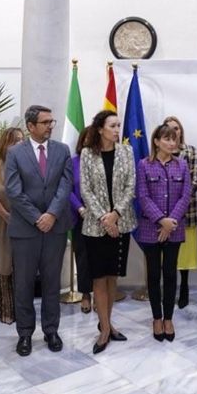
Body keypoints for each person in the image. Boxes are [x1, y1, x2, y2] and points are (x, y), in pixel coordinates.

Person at [4, 105, 73, 357]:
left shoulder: (62, 150)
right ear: (31, 126)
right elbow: (13, 190)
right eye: (45, 122)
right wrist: (37, 218)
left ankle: (51, 330)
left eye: (51, 122)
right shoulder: (15, 153)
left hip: (55, 228)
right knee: (23, 284)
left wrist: (52, 214)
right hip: (25, 230)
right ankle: (24, 334)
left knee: (52, 282)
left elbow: (66, 185)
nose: (49, 126)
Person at [79, 111, 137, 353]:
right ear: (100, 129)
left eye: (119, 126)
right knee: (99, 278)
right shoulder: (87, 154)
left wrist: (116, 215)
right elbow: (85, 188)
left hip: (121, 224)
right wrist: (105, 217)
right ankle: (104, 329)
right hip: (96, 227)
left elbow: (130, 185)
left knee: (113, 277)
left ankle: (108, 322)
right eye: (112, 126)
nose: (117, 130)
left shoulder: (127, 151)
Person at [135, 122, 190, 342]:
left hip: (174, 230)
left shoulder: (182, 165)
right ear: (156, 142)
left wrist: (171, 222)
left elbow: (185, 196)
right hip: (150, 228)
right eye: (166, 139)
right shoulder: (144, 165)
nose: (171, 142)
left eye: (173, 139)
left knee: (169, 274)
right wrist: (161, 220)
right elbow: (142, 195)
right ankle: (156, 318)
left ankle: (168, 317)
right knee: (153, 274)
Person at [0, 127, 24, 325]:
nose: (19, 143)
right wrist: (5, 214)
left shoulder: (28, 164)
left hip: (25, 221)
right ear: (5, 144)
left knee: (23, 266)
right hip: (3, 221)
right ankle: (7, 310)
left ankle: (23, 311)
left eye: (21, 140)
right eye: (14, 140)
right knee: (4, 266)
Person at [163, 116, 197, 310]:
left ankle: (184, 287)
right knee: (167, 258)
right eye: (169, 129)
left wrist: (176, 208)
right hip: (162, 217)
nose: (173, 132)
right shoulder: (158, 154)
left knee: (185, 256)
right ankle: (170, 289)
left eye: (176, 128)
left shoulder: (190, 151)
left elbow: (193, 183)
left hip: (186, 213)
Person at [68, 127, 93, 315]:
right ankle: (85, 294)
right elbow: (67, 190)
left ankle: (102, 295)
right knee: (83, 257)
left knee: (99, 258)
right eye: (88, 139)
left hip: (102, 218)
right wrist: (80, 208)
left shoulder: (102, 162)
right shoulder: (72, 162)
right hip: (80, 217)